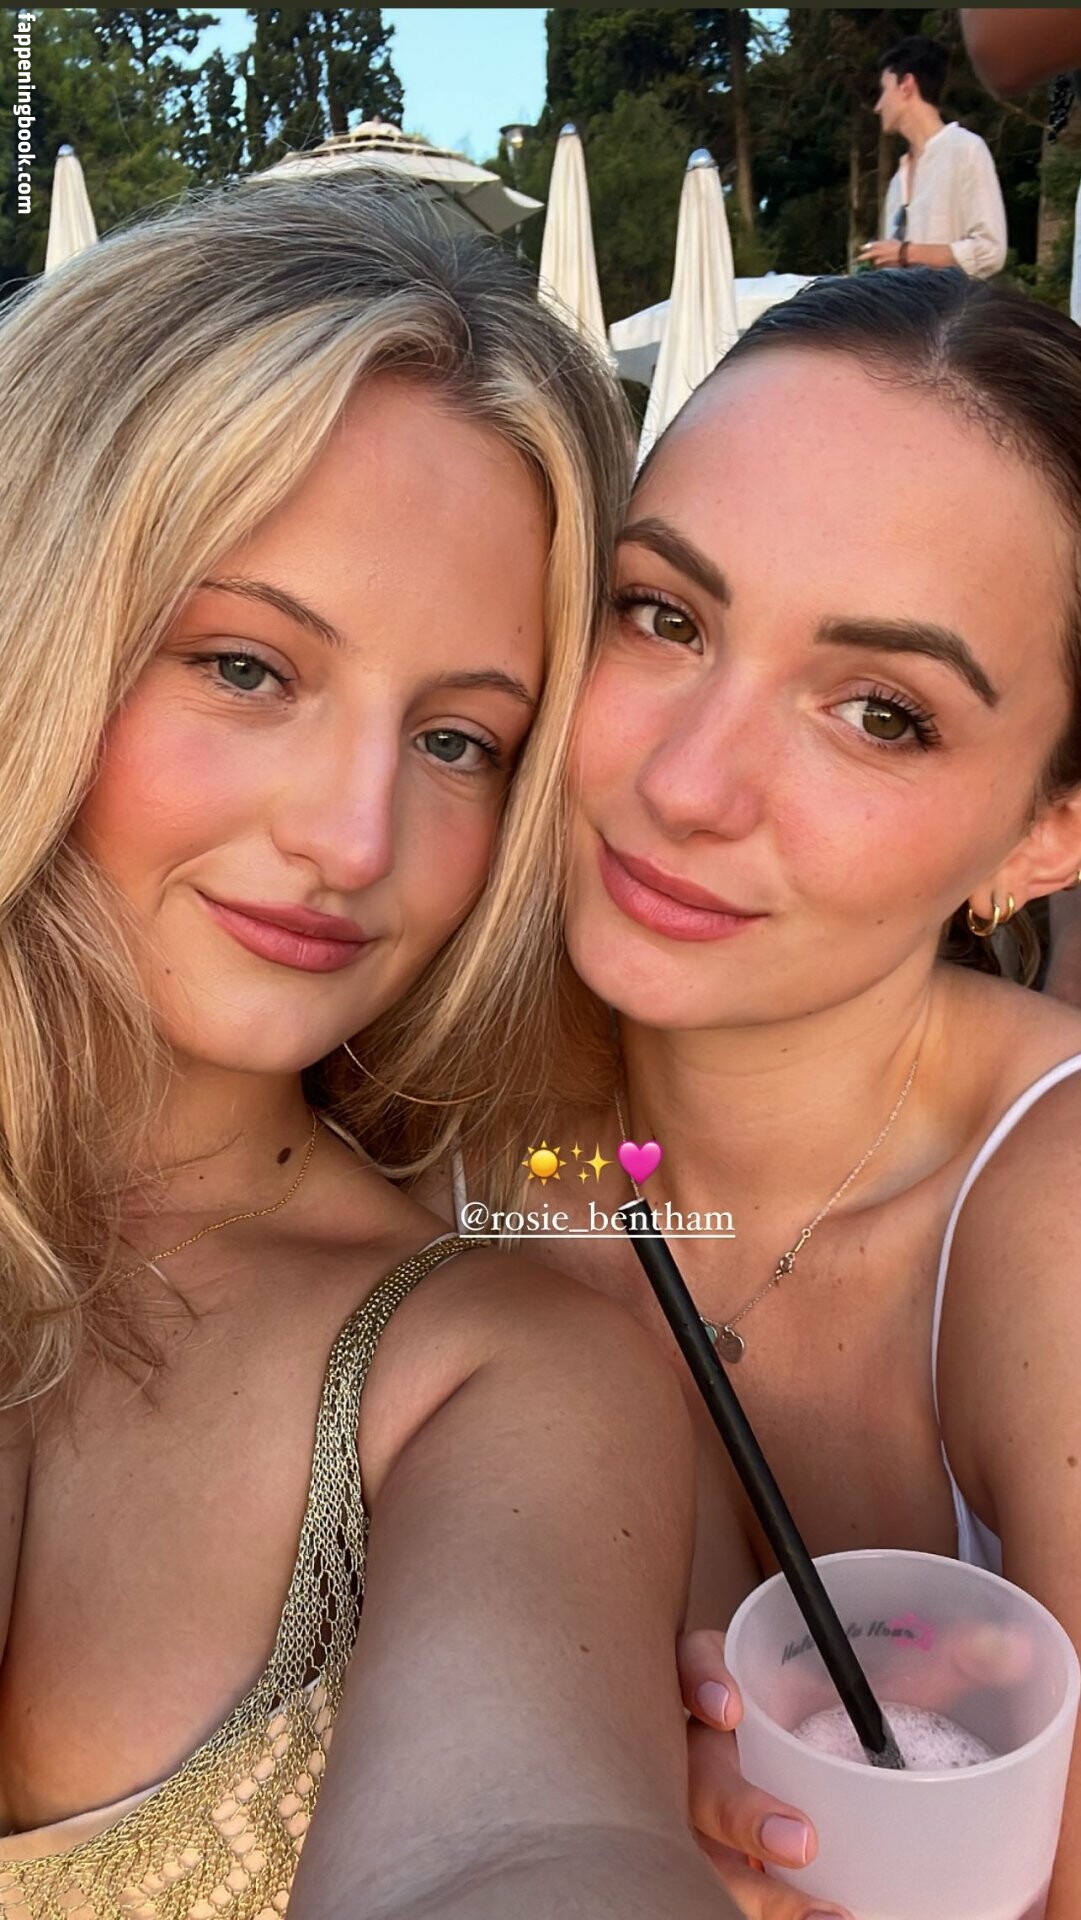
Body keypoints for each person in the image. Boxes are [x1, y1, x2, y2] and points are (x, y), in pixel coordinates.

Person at [0, 177, 743, 1920]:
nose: (352, 838)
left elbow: (526, 1842)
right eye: (248, 667)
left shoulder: (494, 1377)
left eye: (459, 741)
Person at [459, 269, 1081, 1920]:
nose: (685, 785)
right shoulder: (413, 1129)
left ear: (1045, 834)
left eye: (880, 714)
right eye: (663, 616)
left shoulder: (1052, 1211)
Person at [859, 35, 1007, 279]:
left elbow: (991, 251)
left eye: (884, 91)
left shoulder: (966, 149)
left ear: (906, 85)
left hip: (953, 304)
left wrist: (906, 253)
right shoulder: (897, 180)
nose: (878, 106)